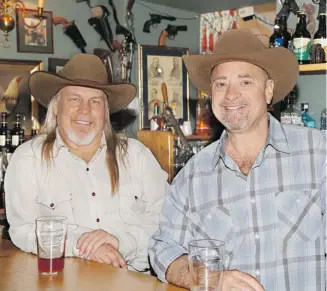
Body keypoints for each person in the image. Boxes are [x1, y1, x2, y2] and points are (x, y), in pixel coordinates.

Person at [149, 29, 326, 290]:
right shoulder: (193, 176)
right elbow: (163, 250)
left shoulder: (318, 153)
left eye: (245, 81)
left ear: (268, 91)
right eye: (220, 83)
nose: (231, 94)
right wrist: (205, 278)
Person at [5, 53, 168, 273]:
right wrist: (81, 244)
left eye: (95, 101)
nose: (85, 110)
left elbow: (169, 218)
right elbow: (22, 229)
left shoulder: (137, 156)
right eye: (74, 99)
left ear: (106, 111)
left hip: (135, 282)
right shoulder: (28, 160)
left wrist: (121, 243)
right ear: (56, 106)